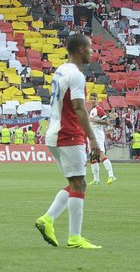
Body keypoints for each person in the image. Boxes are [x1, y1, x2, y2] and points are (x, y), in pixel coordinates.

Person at [35, 34, 102, 250]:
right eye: (90, 48)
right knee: (80, 183)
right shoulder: (77, 75)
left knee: (75, 182)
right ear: (81, 50)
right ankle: (74, 237)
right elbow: (79, 108)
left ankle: (47, 219)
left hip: (54, 133)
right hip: (68, 134)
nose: (92, 52)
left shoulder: (61, 70)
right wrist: (92, 139)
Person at [87, 96, 116, 185]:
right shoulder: (91, 111)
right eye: (91, 99)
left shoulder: (99, 109)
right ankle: (96, 179)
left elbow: (106, 122)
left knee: (101, 154)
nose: (93, 100)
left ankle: (111, 175)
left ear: (97, 100)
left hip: (98, 136)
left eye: (95, 99)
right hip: (92, 136)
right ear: (89, 100)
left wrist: (94, 120)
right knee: (93, 157)